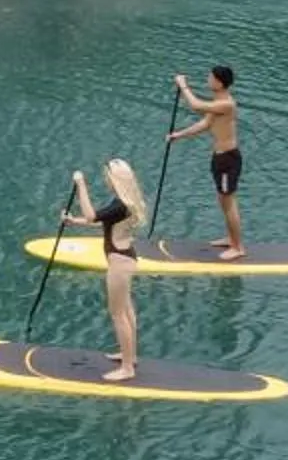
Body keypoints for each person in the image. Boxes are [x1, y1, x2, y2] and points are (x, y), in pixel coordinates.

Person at [56, 158, 150, 381]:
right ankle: (130, 356)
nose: (106, 180)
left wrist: (80, 185)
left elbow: (92, 214)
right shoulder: (125, 202)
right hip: (125, 258)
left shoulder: (120, 204)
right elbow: (101, 219)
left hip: (119, 262)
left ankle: (127, 368)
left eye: (108, 177)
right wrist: (75, 222)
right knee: (126, 310)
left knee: (118, 314)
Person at [169, 66, 247, 261]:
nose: (208, 80)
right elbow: (204, 124)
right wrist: (178, 135)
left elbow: (195, 105)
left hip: (229, 159)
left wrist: (183, 86)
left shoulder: (227, 104)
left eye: (211, 78)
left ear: (220, 83)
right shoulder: (218, 102)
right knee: (223, 201)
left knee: (229, 203)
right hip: (218, 159)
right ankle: (230, 238)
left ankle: (238, 247)